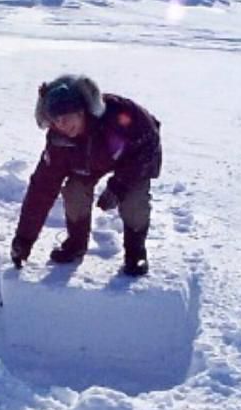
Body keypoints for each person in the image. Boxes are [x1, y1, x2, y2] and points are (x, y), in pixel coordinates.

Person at [10, 74, 162, 277]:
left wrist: (119, 185)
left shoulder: (120, 115)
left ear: (82, 111)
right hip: (88, 163)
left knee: (134, 201)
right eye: (55, 120)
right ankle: (76, 244)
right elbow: (41, 189)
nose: (61, 124)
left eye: (66, 116)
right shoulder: (59, 141)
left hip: (132, 159)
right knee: (74, 191)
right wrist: (23, 240)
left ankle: (136, 252)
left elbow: (148, 145)